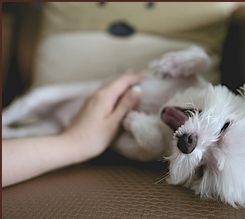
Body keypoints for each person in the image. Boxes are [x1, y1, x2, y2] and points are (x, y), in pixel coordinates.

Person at [2, 73, 144, 188]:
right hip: (76, 118)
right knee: (37, 100)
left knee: (24, 129)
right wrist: (76, 143)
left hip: (63, 127)